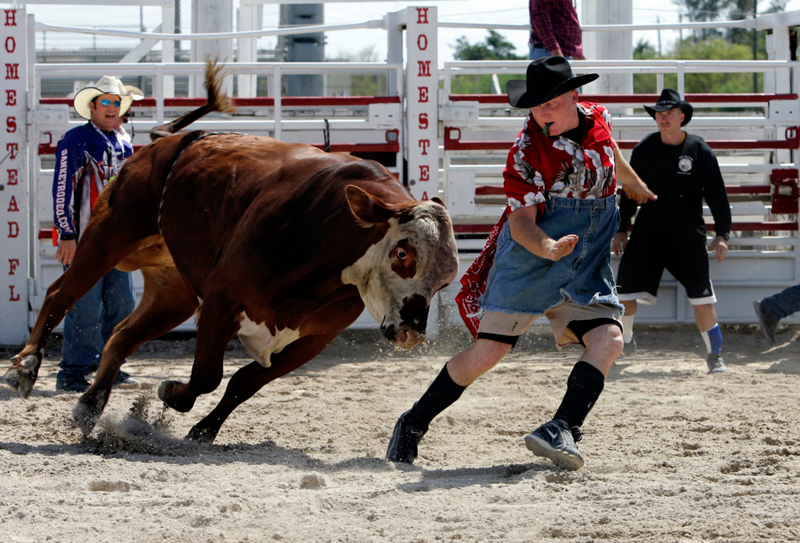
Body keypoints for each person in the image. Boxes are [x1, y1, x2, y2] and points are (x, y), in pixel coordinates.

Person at [386, 57, 656, 470]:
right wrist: (547, 247)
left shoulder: (600, 117)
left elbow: (609, 146)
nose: (542, 111)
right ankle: (413, 422)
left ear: (573, 96)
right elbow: (521, 221)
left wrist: (632, 180)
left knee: (609, 340)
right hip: (533, 261)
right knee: (488, 352)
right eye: (535, 104)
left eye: (550, 101)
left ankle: (562, 427)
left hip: (584, 264)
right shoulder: (525, 153)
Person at [612, 89, 732, 374]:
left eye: (669, 114)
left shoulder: (699, 150)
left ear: (682, 117)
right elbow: (629, 192)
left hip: (688, 234)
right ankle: (626, 341)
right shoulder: (644, 149)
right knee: (624, 295)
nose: (663, 119)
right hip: (648, 231)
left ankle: (715, 355)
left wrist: (722, 234)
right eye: (659, 114)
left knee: (702, 299)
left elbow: (717, 194)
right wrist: (621, 229)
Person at [52, 76, 144, 392]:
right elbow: (62, 188)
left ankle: (110, 367)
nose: (111, 107)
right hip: (85, 240)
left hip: (116, 242)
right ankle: (73, 374)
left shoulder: (123, 143)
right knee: (85, 306)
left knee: (122, 304)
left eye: (116, 102)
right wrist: (67, 234)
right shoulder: (75, 140)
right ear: (92, 106)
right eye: (105, 101)